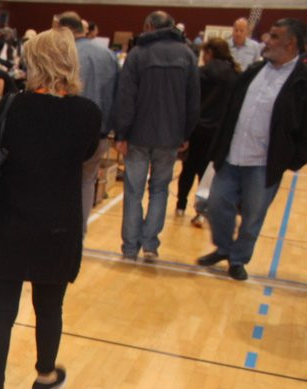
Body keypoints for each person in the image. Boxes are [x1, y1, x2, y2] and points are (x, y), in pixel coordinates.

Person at [0, 29, 101, 389]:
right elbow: (84, 161)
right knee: (50, 308)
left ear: (34, 62)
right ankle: (45, 376)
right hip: (58, 225)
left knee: (0, 313)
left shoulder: (13, 106)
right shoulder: (88, 113)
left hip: (8, 222)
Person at [198, 18, 307, 281]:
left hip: (264, 163)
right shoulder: (254, 71)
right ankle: (224, 248)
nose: (266, 41)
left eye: (274, 36)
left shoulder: (301, 82)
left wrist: (293, 160)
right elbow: (230, 111)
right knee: (215, 204)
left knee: (253, 216)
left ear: (290, 43)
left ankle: (238, 259)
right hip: (233, 153)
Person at [112, 11, 199, 261]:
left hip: (138, 135)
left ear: (149, 26)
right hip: (171, 136)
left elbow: (125, 97)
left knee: (133, 191)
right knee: (160, 189)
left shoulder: (138, 54)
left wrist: (121, 133)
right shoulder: (187, 55)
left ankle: (130, 248)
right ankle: (150, 245)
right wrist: (186, 133)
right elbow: (193, 101)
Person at [57, 12, 118, 233]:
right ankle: (78, 233)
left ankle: (60, 232)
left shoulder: (65, 54)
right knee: (87, 182)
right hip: (99, 131)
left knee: (62, 182)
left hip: (66, 131)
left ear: (64, 29)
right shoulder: (108, 54)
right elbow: (117, 93)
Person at [175, 38, 238, 219]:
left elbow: (189, 102)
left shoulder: (199, 73)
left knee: (187, 169)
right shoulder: (235, 76)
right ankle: (201, 211)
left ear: (209, 53)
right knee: (207, 173)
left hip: (196, 129)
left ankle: (180, 206)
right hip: (218, 133)